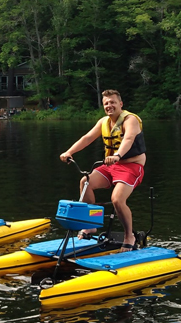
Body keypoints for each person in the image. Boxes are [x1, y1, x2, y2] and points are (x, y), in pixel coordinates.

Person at [59, 89, 146, 251]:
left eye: (112, 102)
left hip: (132, 166)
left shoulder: (130, 120)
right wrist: (69, 151)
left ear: (120, 104)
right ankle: (91, 225)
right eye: (106, 103)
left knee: (117, 199)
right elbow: (87, 138)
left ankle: (129, 236)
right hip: (111, 166)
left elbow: (128, 139)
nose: (109, 105)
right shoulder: (103, 122)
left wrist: (118, 155)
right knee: (86, 182)